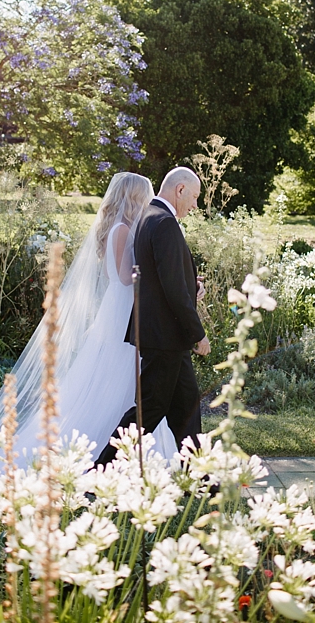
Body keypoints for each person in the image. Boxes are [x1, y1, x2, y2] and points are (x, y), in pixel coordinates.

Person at [0, 171, 178, 475]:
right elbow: (127, 276)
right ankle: (113, 449)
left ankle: (132, 450)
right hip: (122, 310)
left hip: (120, 306)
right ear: (133, 197)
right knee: (122, 379)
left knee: (127, 379)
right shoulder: (123, 230)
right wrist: (153, 270)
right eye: (144, 196)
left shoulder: (118, 227)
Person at [96, 166, 210, 466]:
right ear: (180, 190)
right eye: (194, 197)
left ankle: (200, 476)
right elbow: (172, 289)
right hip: (165, 337)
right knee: (147, 411)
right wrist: (197, 333)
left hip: (165, 337)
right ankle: (99, 470)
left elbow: (158, 276)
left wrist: (190, 282)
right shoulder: (164, 222)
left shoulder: (147, 218)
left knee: (187, 407)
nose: (195, 206)